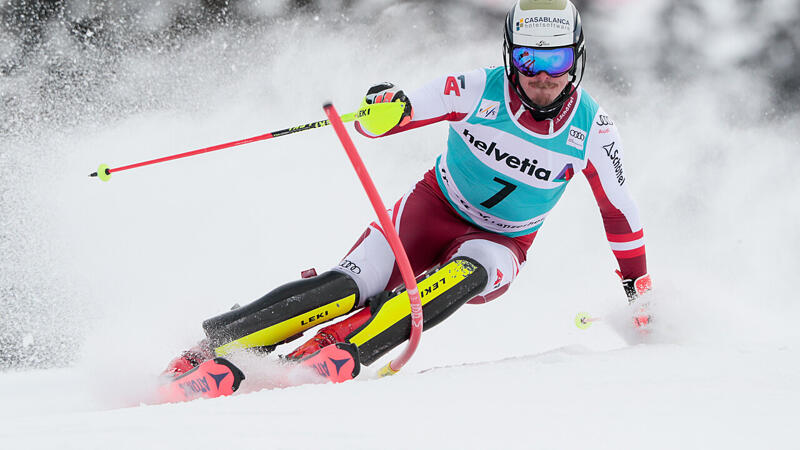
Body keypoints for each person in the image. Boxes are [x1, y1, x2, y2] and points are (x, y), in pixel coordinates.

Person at [163, 0, 652, 377]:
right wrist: (384, 109)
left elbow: (620, 212)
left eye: (558, 61)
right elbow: (392, 116)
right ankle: (215, 345)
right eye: (528, 60)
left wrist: (638, 288)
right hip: (431, 209)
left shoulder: (595, 129)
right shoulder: (478, 88)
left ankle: (337, 353)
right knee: (348, 286)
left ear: (577, 58)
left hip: (502, 241)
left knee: (461, 277)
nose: (542, 78)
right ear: (510, 54)